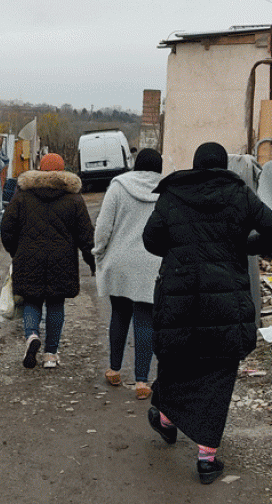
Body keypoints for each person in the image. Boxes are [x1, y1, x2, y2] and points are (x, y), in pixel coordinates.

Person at [142, 142, 272, 484]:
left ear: (195, 164)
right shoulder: (238, 193)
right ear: (223, 166)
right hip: (225, 299)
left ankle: (166, 420)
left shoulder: (173, 194)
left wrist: (181, 250)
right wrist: (242, 246)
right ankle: (206, 460)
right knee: (219, 373)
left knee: (177, 360)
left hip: (179, 297)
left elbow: (151, 241)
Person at [1, 152, 95, 369]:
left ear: (40, 169)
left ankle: (32, 335)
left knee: (32, 301)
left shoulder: (22, 196)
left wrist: (15, 251)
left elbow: (7, 227)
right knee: (55, 304)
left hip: (29, 257)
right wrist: (92, 260)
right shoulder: (74, 199)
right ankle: (50, 355)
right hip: (61, 261)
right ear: (63, 172)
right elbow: (86, 235)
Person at [92, 148, 163, 400]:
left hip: (120, 261)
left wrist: (98, 253)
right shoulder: (166, 190)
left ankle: (114, 368)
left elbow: (103, 226)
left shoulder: (119, 187)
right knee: (145, 320)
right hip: (152, 262)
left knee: (120, 314)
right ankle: (142, 382)